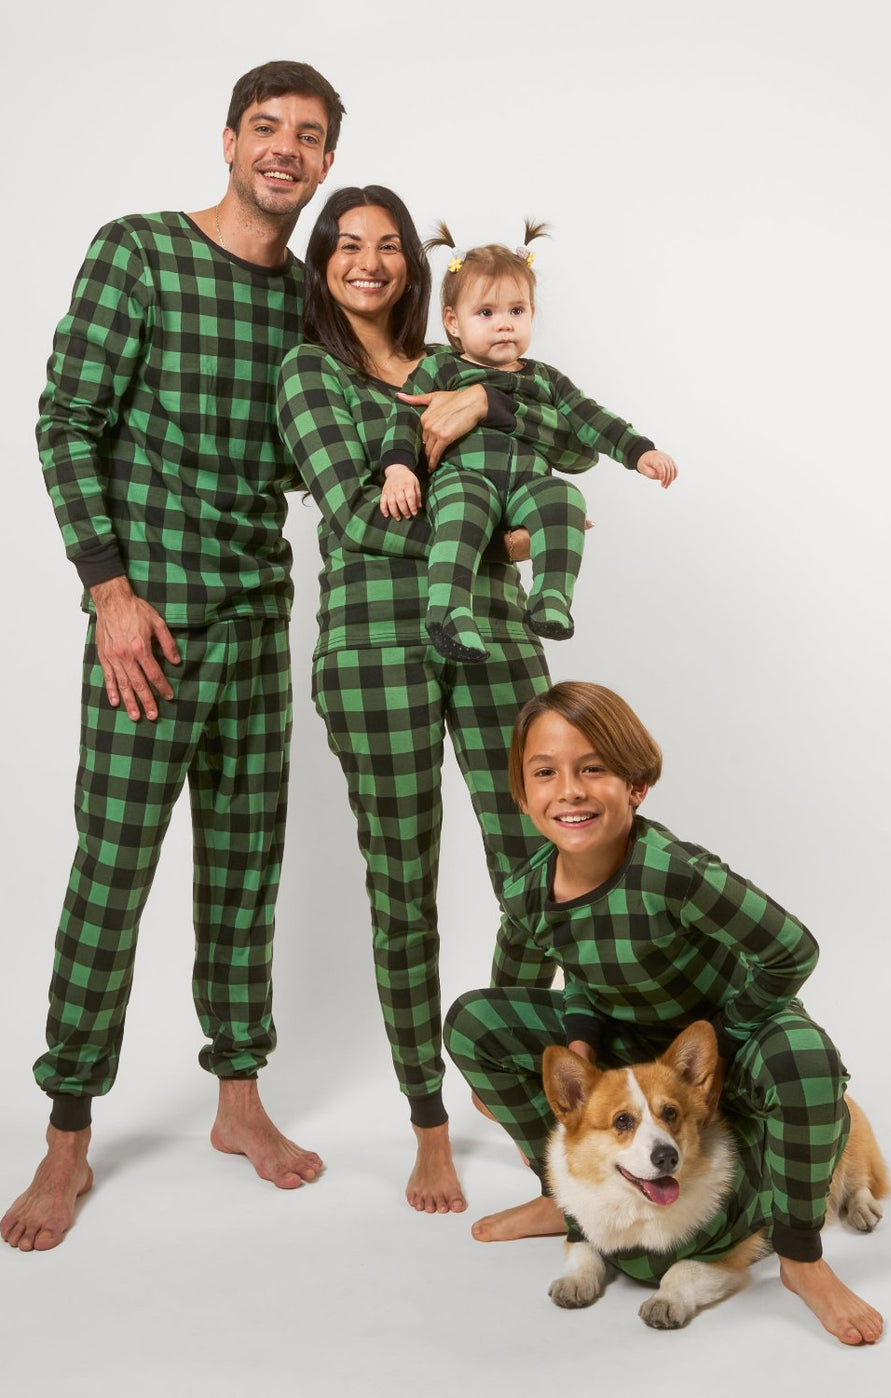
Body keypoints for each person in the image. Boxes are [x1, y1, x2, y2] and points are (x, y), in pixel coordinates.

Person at [0, 61, 344, 1253]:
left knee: (245, 874)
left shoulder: (310, 298)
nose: (284, 150)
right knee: (113, 881)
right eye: (267, 128)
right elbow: (66, 420)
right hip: (147, 633)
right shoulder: (138, 251)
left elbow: (329, 457)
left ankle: (238, 1106)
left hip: (258, 627)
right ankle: (66, 1143)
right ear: (230, 140)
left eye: (308, 136)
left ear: (327, 161)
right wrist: (109, 591)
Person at [276, 186, 601, 1214]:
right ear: (323, 259)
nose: (369, 262)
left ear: (417, 269)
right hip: (374, 653)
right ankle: (427, 1118)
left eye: (388, 247)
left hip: (497, 639)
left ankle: (510, 1076)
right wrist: (515, 538)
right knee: (402, 887)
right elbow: (364, 521)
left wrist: (489, 403)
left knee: (541, 872)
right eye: (348, 245)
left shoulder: (459, 363)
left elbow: (576, 447)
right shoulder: (309, 372)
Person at [444, 682, 885, 1346]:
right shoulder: (529, 891)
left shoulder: (674, 873)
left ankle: (800, 1257)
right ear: (523, 794)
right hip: (630, 1039)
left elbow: (792, 950)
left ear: (636, 785)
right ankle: (564, 1198)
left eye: (592, 768)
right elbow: (539, 984)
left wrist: (730, 1036)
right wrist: (577, 1043)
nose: (569, 789)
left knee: (807, 1065)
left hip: (724, 1028)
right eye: (546, 773)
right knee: (472, 1021)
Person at [377, 224, 677, 662]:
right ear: (452, 322)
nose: (504, 324)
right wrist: (398, 467)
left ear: (532, 314)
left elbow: (589, 417)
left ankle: (550, 597)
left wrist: (639, 451)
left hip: (525, 488)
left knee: (564, 498)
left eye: (517, 311)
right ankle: (449, 610)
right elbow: (404, 415)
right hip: (465, 478)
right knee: (462, 511)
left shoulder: (545, 378)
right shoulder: (441, 370)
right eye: (486, 313)